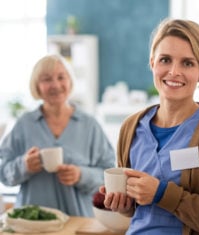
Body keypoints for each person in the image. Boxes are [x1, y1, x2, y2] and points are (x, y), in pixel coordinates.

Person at [100, 18, 199, 234]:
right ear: (152, 62)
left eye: (187, 63)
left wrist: (163, 194)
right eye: (165, 60)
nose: (174, 72)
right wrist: (124, 205)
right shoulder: (131, 128)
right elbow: (139, 213)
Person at [0, 54, 115, 217]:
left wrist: (81, 175)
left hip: (77, 221)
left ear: (70, 81)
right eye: (46, 79)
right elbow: (3, 174)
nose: (55, 85)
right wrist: (23, 166)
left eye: (61, 77)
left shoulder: (90, 125)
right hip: (30, 222)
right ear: (37, 86)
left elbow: (109, 175)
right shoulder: (24, 124)